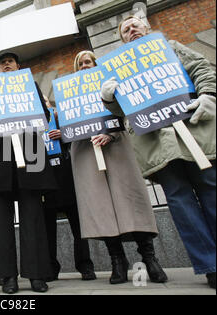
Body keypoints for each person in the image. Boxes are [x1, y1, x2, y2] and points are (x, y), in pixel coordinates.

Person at [101, 15, 216, 289]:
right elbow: (121, 111)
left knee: (212, 189)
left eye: (134, 25)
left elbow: (201, 68)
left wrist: (209, 95)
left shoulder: (171, 46)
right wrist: (109, 99)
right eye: (125, 30)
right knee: (179, 201)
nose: (131, 30)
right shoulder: (119, 69)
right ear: (123, 39)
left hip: (195, 132)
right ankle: (211, 265)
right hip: (158, 145)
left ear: (147, 28)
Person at [72, 50, 168, 285]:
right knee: (102, 205)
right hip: (87, 150)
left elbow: (127, 109)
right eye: (80, 64)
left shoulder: (112, 83)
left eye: (89, 62)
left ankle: (149, 257)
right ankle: (117, 260)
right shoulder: (71, 91)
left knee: (131, 199)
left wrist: (111, 134)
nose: (85, 66)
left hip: (117, 147)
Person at [0, 52, 56, 294]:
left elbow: (45, 117)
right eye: (1, 64)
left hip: (29, 157)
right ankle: (7, 276)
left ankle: (36, 274)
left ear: (19, 66)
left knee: (33, 218)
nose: (5, 65)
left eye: (9, 62)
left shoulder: (31, 86)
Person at [42, 96, 97, 282]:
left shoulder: (62, 120)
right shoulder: (31, 124)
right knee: (47, 230)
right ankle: (50, 267)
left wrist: (63, 134)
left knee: (78, 227)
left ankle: (85, 266)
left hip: (67, 178)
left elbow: (80, 137)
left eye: (45, 102)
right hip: (46, 181)